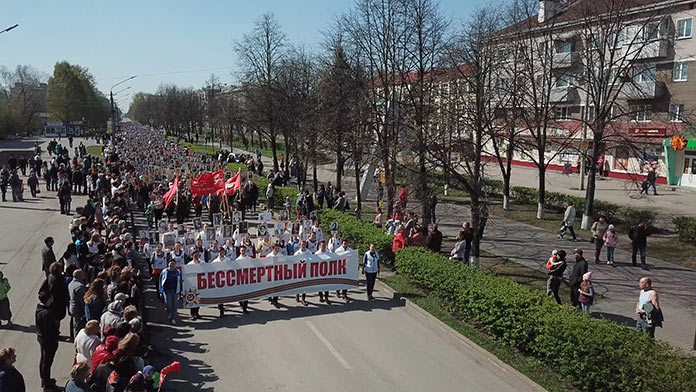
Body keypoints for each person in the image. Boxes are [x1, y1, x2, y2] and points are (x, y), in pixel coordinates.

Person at [36, 291, 60, 391]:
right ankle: (47, 384)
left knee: (44, 360)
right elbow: (50, 330)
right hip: (48, 341)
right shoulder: (47, 313)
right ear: (48, 299)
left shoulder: (39, 309)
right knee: (47, 362)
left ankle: (44, 379)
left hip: (41, 338)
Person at [187, 251, 203, 320]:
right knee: (192, 299)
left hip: (200, 283)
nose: (196, 257)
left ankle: (197, 313)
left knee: (198, 299)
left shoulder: (203, 263)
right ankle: (192, 314)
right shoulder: (189, 264)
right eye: (195, 256)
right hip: (192, 284)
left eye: (198, 255)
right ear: (192, 256)